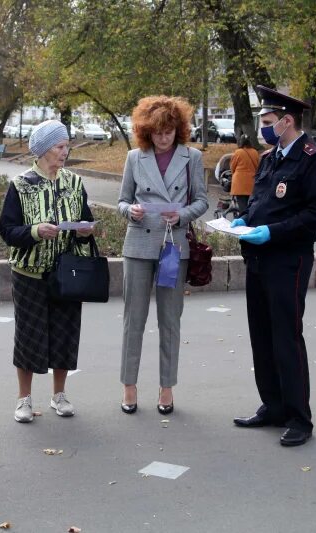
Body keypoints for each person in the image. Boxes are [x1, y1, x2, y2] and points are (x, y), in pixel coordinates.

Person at [232, 85, 316, 447]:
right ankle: (272, 405)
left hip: (287, 260)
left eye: (268, 120)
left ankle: (298, 417)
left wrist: (270, 232)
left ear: (287, 121)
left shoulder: (313, 159)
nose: (262, 126)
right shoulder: (272, 156)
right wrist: (243, 220)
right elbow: (260, 201)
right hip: (258, 257)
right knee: (261, 335)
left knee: (286, 337)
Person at [0, 119, 95, 423]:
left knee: (65, 334)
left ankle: (59, 394)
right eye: (60, 146)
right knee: (28, 336)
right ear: (42, 150)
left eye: (67, 145)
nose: (66, 151)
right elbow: (7, 230)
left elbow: (87, 221)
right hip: (29, 274)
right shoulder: (21, 184)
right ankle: (23, 399)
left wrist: (85, 231)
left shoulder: (74, 183)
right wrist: (36, 230)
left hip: (67, 273)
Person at [117, 95, 208, 415]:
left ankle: (166, 387)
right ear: (146, 132)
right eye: (156, 132)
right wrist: (133, 212)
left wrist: (182, 215)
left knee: (170, 320)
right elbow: (122, 202)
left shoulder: (192, 158)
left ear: (178, 129)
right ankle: (129, 385)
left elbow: (202, 201)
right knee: (134, 320)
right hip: (139, 246)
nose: (163, 137)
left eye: (168, 131)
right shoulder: (134, 158)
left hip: (174, 247)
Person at [229, 134, 259, 214]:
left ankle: (243, 220)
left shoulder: (238, 152)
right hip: (251, 182)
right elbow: (257, 167)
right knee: (250, 204)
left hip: (239, 183)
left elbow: (232, 167)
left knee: (242, 205)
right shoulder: (255, 152)